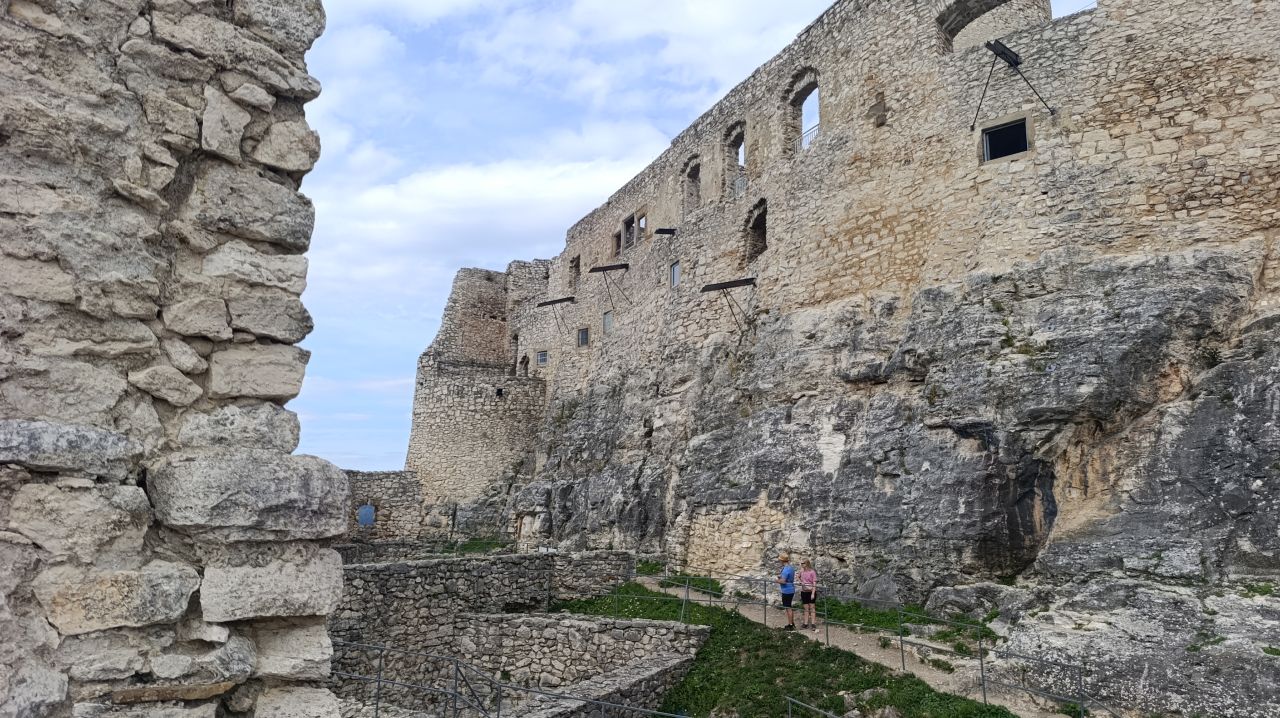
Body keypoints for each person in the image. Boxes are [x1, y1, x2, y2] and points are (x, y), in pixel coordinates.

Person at [776, 552, 797, 630]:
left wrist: (777, 580)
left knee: (788, 608)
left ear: (782, 560)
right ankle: (791, 623)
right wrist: (780, 577)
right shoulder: (791, 568)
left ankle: (790, 625)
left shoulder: (785, 569)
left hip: (786, 590)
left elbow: (783, 581)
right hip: (791, 588)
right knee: (789, 607)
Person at [799, 559, 818, 631]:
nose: (801, 564)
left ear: (806, 564)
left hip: (811, 591)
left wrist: (813, 593)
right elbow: (798, 577)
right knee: (806, 608)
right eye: (801, 563)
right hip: (804, 591)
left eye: (803, 563)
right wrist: (801, 582)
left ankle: (813, 624)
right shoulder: (801, 571)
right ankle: (805, 623)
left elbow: (814, 583)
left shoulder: (812, 572)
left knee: (812, 608)